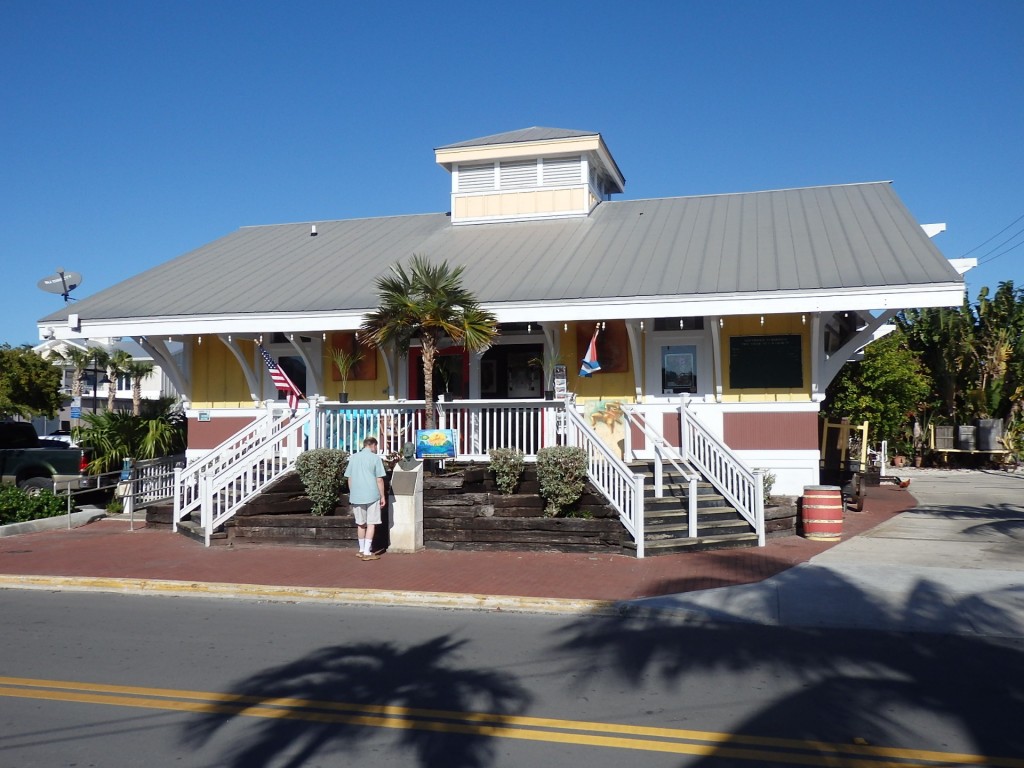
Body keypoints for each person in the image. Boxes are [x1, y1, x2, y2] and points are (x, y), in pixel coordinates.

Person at [344, 436, 387, 560]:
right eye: (376, 446)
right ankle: (367, 552)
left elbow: (349, 478)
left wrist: (353, 492)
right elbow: (379, 479)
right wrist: (382, 495)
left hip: (357, 495)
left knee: (360, 524)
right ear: (373, 445)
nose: (376, 449)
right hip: (372, 494)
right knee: (371, 523)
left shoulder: (354, 458)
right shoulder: (375, 459)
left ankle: (361, 549)